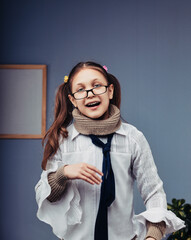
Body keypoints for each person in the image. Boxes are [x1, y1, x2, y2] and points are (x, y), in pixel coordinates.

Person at [35, 61, 184, 240]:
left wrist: (153, 235)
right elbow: (47, 197)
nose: (90, 94)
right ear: (73, 100)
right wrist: (64, 173)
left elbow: (154, 192)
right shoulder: (63, 140)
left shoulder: (133, 138)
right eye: (81, 89)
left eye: (97, 85)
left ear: (110, 91)